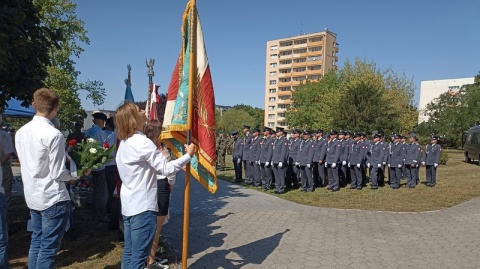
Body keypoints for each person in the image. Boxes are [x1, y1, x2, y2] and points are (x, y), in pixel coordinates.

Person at [114, 101, 194, 269]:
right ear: (133, 118)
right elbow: (166, 168)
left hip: (130, 206)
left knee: (129, 253)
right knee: (138, 257)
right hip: (142, 207)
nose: (143, 111)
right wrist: (188, 156)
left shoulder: (124, 142)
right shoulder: (142, 142)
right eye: (139, 109)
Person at [15, 88, 76, 268]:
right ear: (56, 107)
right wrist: (73, 176)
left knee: (37, 241)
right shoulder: (54, 134)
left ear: (34, 105)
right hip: (51, 197)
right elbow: (58, 172)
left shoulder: (21, 132)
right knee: (48, 248)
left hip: (33, 194)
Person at [144, 120, 175, 269]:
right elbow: (170, 171)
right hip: (161, 185)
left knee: (151, 225)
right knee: (156, 227)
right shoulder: (160, 150)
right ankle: (150, 262)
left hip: (148, 186)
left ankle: (151, 256)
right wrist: (171, 183)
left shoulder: (143, 146)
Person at [85, 112, 109, 223]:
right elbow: (106, 149)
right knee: (102, 192)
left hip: (89, 165)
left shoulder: (89, 131)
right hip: (99, 166)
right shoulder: (100, 133)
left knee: (95, 190)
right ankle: (100, 214)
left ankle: (95, 212)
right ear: (101, 121)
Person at [0, 117, 14, 221]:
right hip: (3, 167)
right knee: (5, 195)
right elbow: (8, 153)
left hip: (3, 166)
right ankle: (4, 223)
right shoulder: (4, 135)